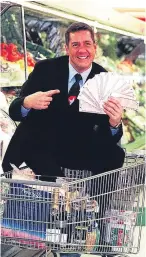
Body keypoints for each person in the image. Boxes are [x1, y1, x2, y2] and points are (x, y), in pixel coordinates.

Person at [2, 22, 125, 179]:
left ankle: (97, 202)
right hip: (42, 147)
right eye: (75, 44)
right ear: (66, 48)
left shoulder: (104, 79)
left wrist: (114, 124)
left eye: (87, 44)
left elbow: (106, 137)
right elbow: (14, 112)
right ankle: (54, 191)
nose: (82, 50)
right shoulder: (45, 69)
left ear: (94, 47)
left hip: (80, 146)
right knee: (27, 132)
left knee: (115, 154)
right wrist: (27, 103)